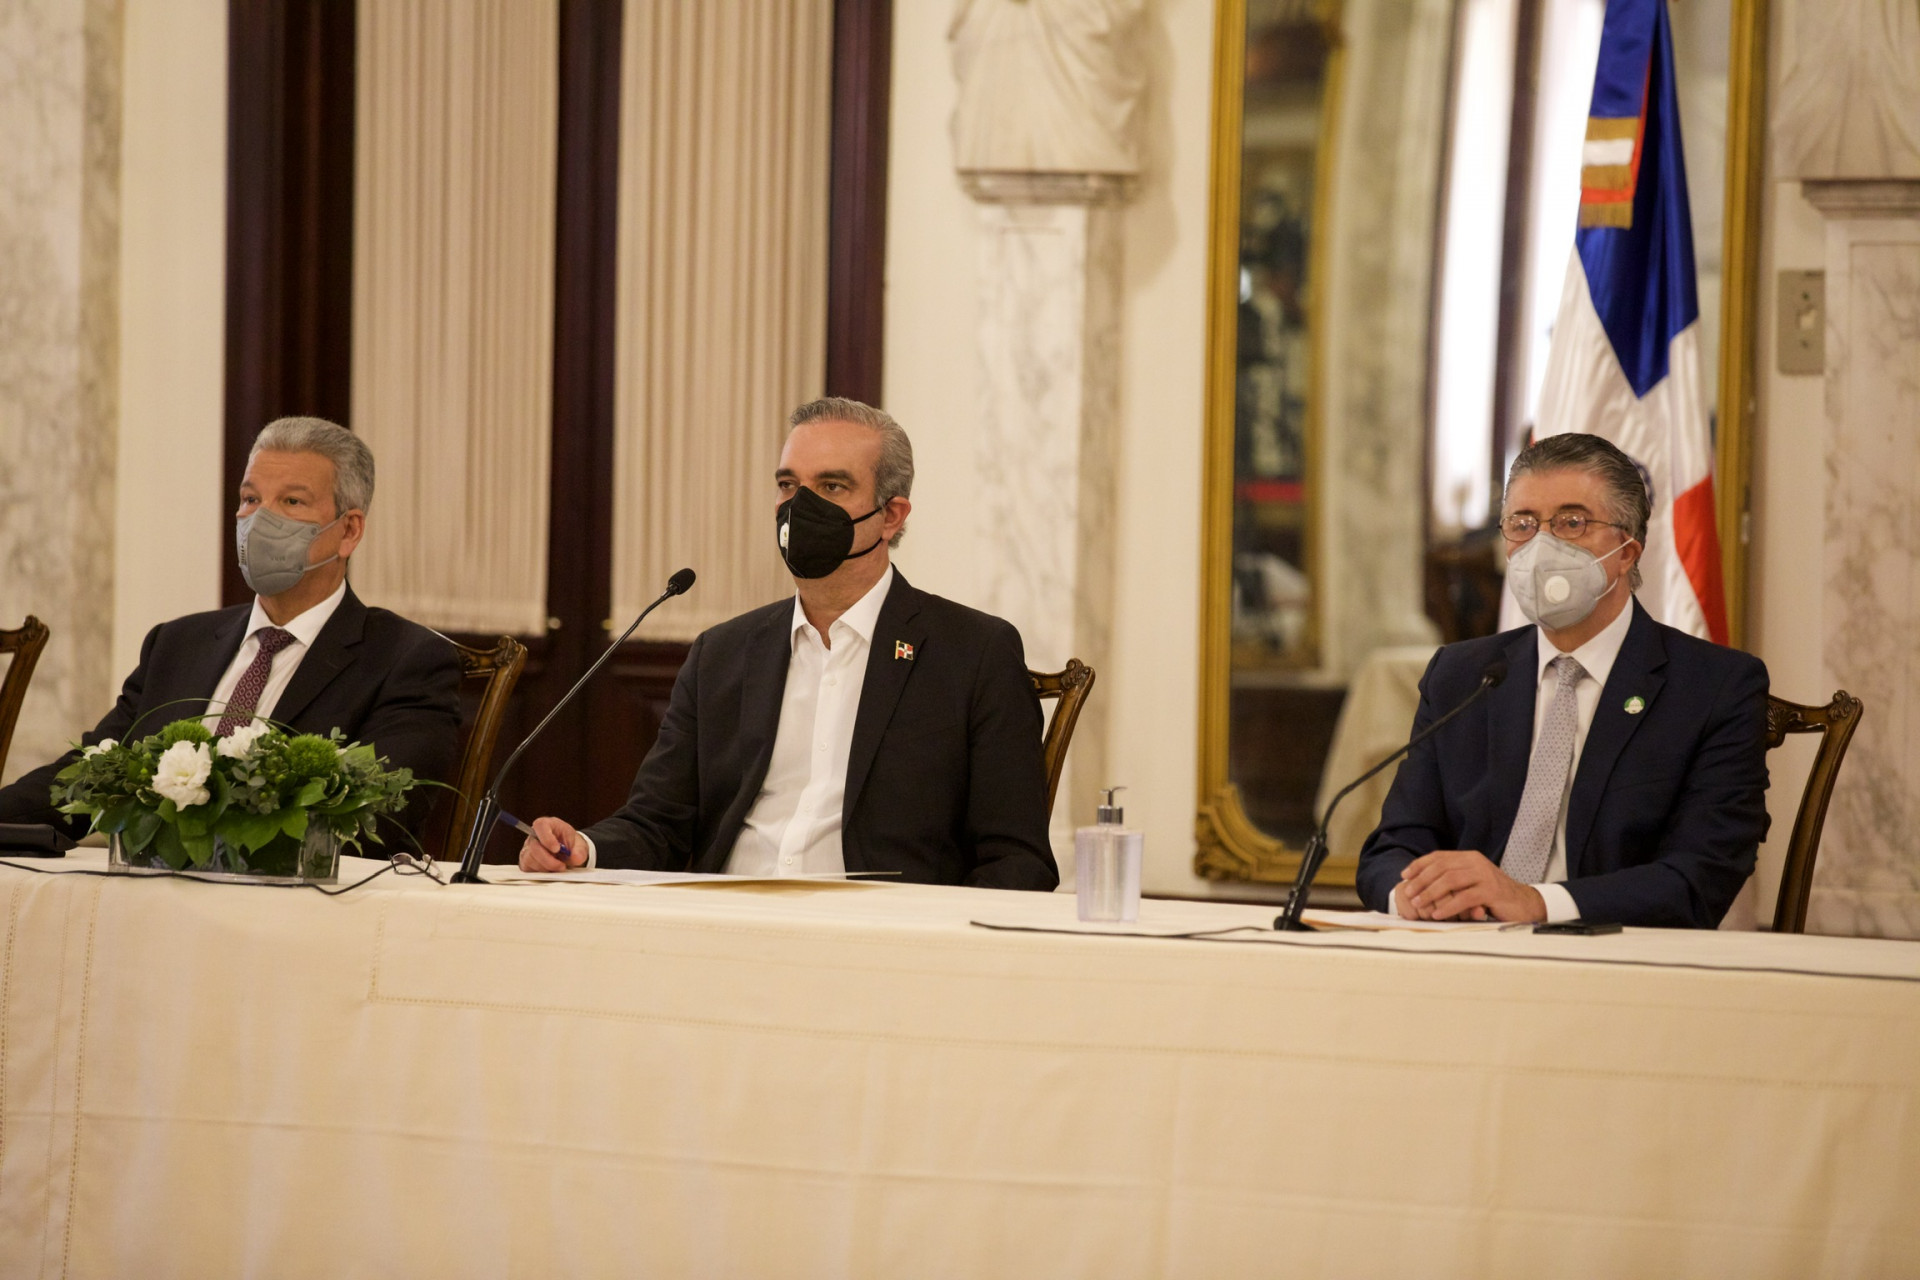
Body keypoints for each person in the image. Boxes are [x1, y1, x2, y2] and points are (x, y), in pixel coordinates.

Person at [519, 397, 1057, 890]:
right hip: (725, 926)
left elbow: (1016, 860)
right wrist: (583, 849)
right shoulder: (722, 655)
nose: (799, 507)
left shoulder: (973, 653)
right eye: (788, 485)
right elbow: (658, 824)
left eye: (832, 487)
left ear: (891, 516)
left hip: (880, 938)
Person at [1355, 433, 1769, 928]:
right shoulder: (1462, 676)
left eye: (1572, 523)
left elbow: (1699, 878)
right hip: (1464, 944)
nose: (1542, 545)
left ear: (1627, 552)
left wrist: (1536, 903)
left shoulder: (1714, 687)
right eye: (1523, 524)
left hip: (1615, 957)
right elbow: (1392, 847)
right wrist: (1413, 895)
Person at [0, 417, 462, 839]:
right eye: (250, 499)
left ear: (349, 531)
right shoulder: (177, 644)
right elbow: (89, 773)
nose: (260, 520)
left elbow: (377, 813)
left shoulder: (405, 660)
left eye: (292, 501)